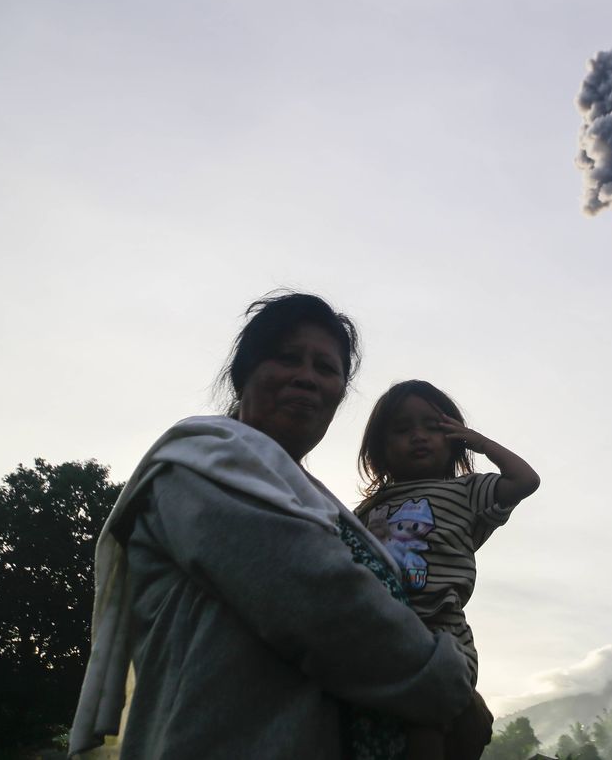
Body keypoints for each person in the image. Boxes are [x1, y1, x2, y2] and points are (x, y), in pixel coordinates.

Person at [69, 293, 487, 760]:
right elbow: (323, 601)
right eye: (287, 358)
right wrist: (450, 691)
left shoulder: (325, 504)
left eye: (326, 369)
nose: (306, 377)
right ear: (243, 373)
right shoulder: (200, 465)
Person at [355, 380, 541, 760]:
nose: (418, 437)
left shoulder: (466, 491)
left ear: (453, 439)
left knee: (427, 716)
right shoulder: (366, 510)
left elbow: (525, 480)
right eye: (403, 430)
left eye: (432, 427)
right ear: (380, 451)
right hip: (379, 633)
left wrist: (480, 442)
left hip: (441, 634)